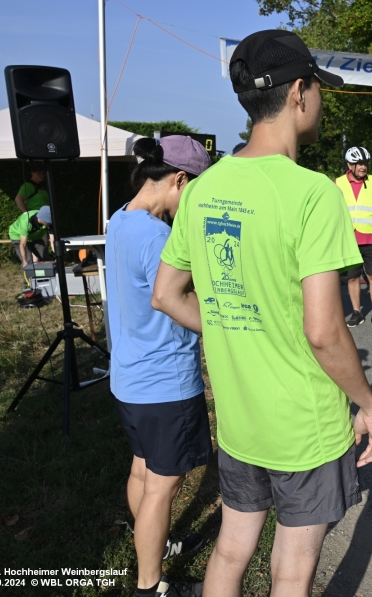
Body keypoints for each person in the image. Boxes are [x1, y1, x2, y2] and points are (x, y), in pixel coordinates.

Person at [151, 30, 372, 597]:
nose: (320, 100)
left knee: (232, 550)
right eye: (319, 88)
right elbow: (323, 332)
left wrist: (234, 325)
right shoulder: (313, 193)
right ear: (300, 92)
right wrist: (369, 403)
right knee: (293, 569)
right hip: (304, 426)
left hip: (240, 422)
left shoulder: (203, 189)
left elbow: (166, 295)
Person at [106, 136, 212, 597]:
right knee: (163, 487)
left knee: (143, 470)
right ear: (179, 180)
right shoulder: (158, 237)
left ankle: (156, 543)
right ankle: (150, 586)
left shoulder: (119, 220)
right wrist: (223, 326)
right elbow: (170, 299)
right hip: (165, 382)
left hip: (129, 379)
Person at [337, 146, 372, 331]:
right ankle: (357, 312)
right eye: (359, 164)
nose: (363, 167)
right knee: (352, 278)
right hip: (348, 240)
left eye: (365, 163)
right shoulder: (338, 183)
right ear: (349, 165)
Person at [8, 205, 53, 288]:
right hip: (18, 236)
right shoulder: (26, 222)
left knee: (46, 260)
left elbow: (52, 240)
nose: (50, 224)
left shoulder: (49, 223)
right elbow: (22, 245)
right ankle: (27, 287)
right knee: (28, 263)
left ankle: (47, 285)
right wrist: (24, 261)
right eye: (49, 222)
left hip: (35, 237)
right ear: (44, 220)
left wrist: (57, 254)